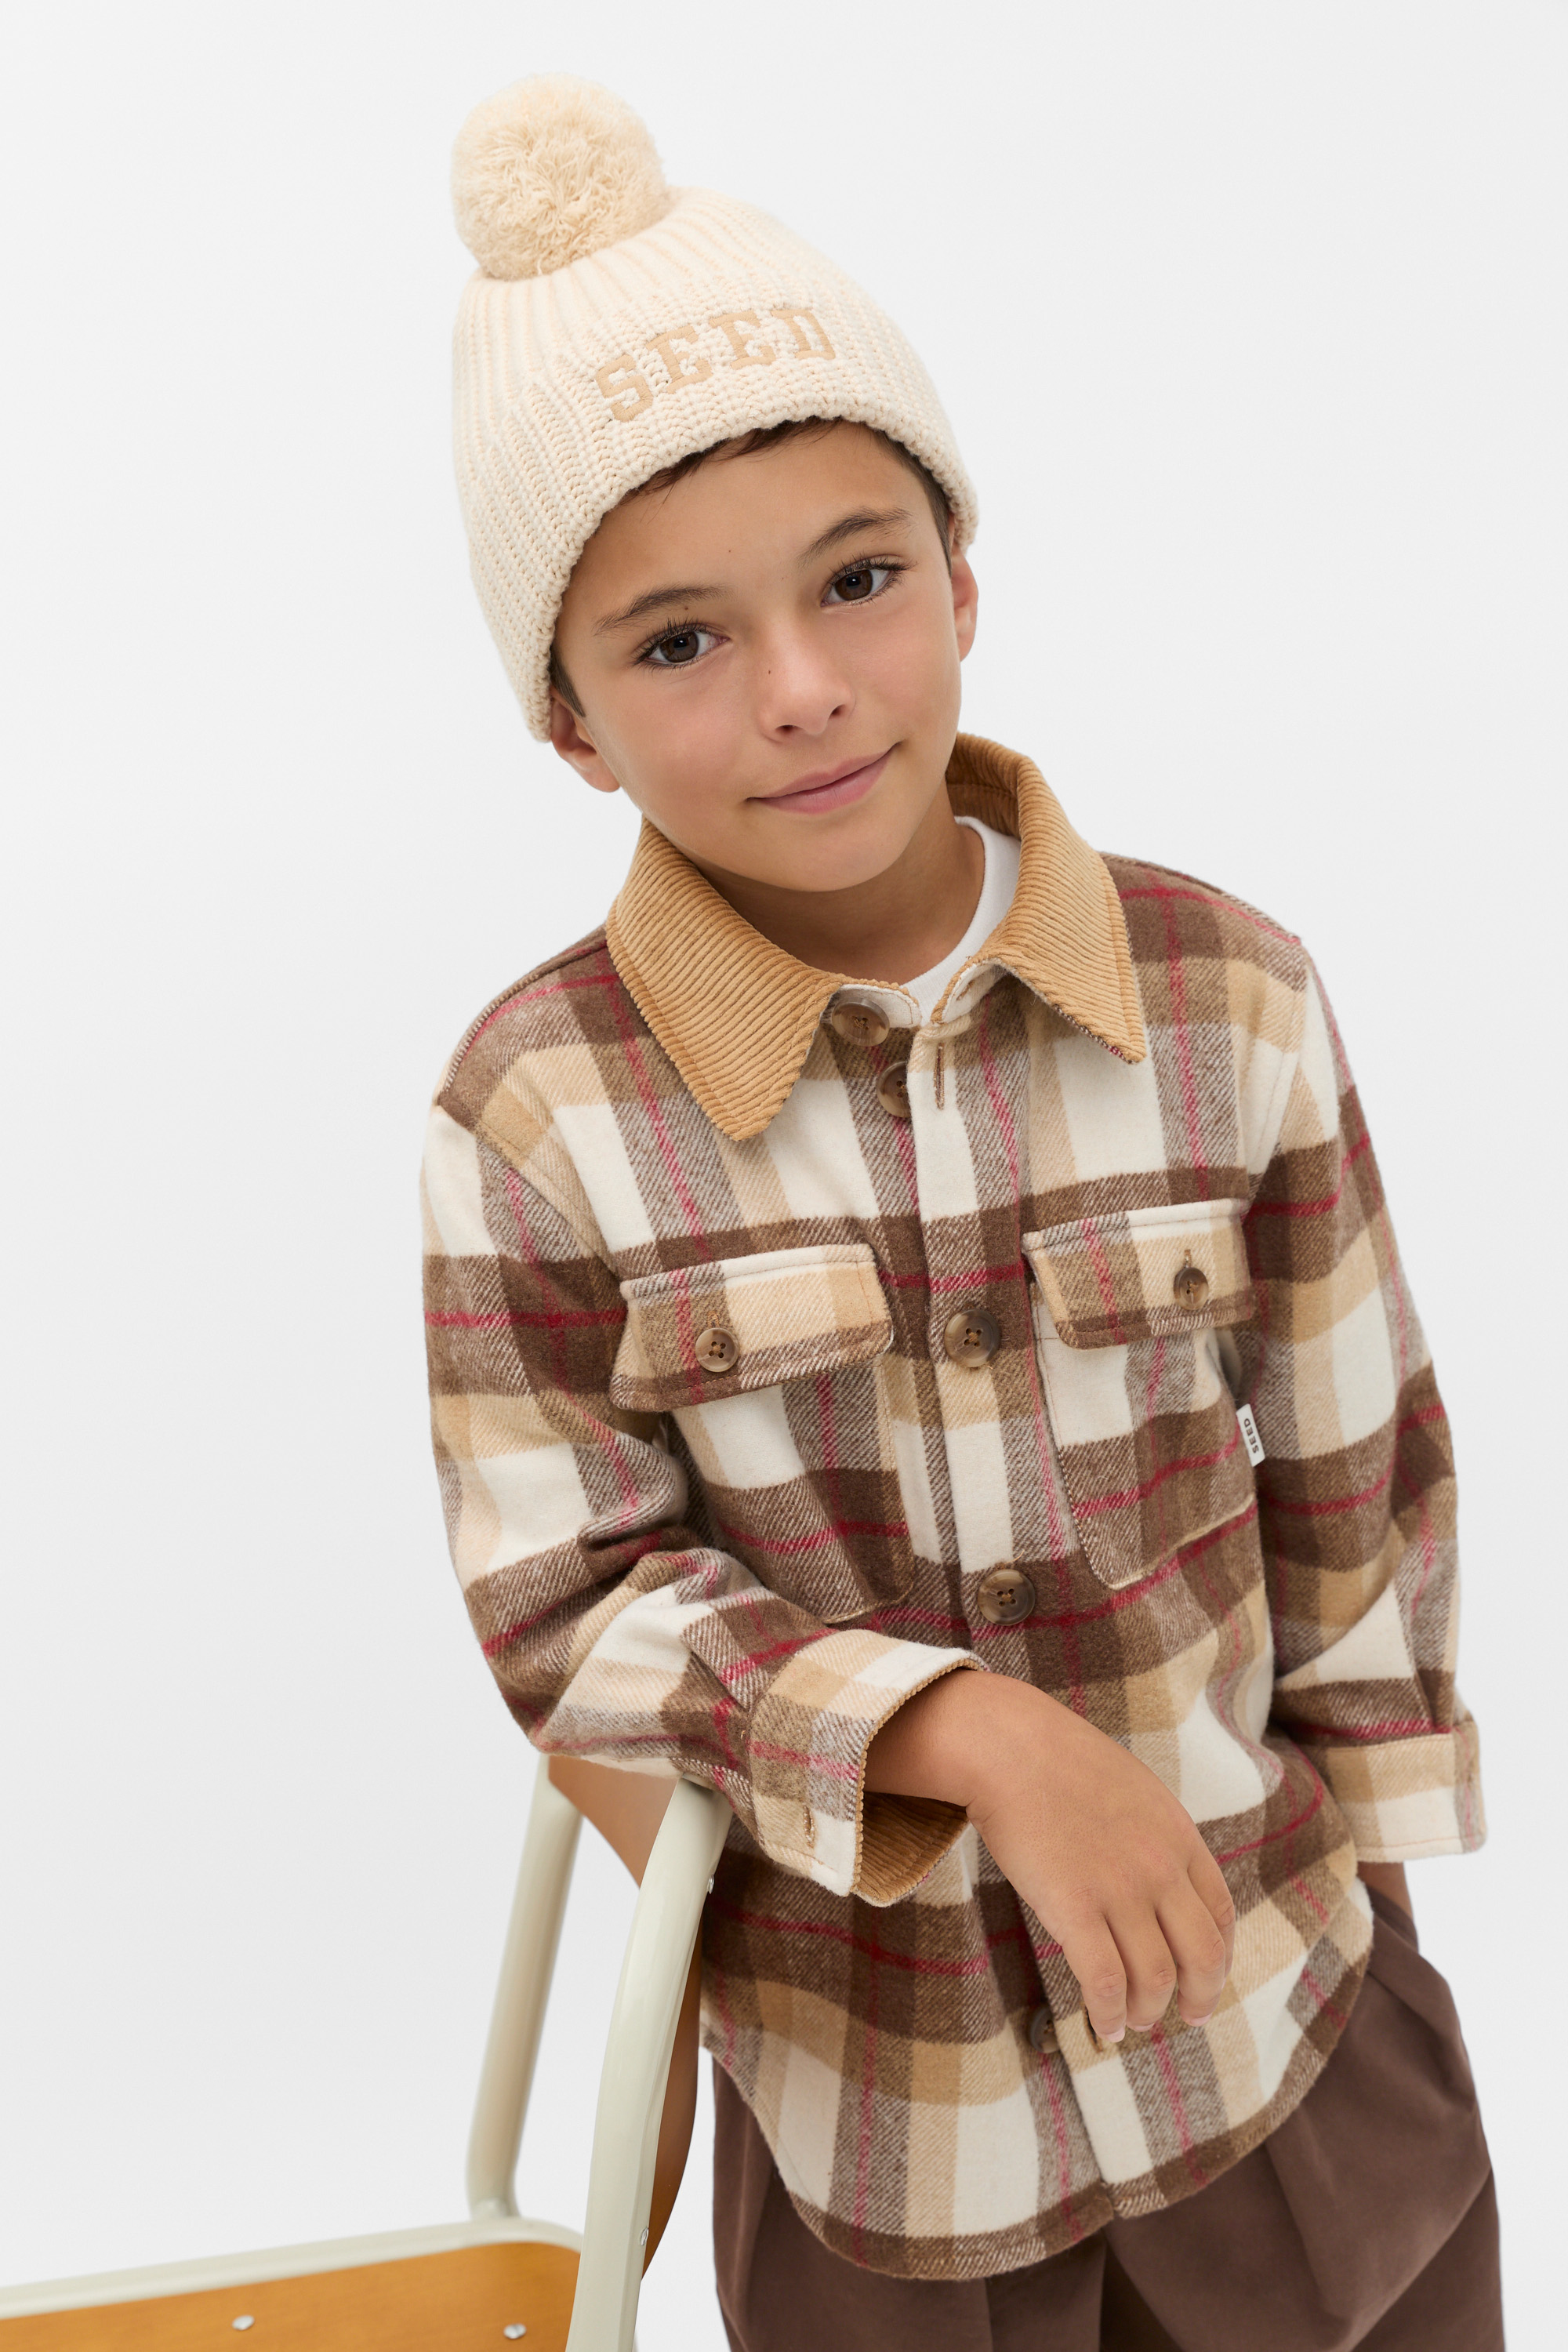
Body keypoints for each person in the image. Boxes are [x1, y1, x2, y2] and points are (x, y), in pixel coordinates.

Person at [423, 74, 1501, 2350]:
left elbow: (1359, 1487)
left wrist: (1382, 1943)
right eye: (679, 642)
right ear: (571, 726)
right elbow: (569, 1611)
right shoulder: (540, 1110)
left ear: (965, 576)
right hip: (877, 2134)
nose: (805, 691)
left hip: (1290, 2056)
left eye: (860, 579)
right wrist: (970, 1734)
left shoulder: (1225, 998)